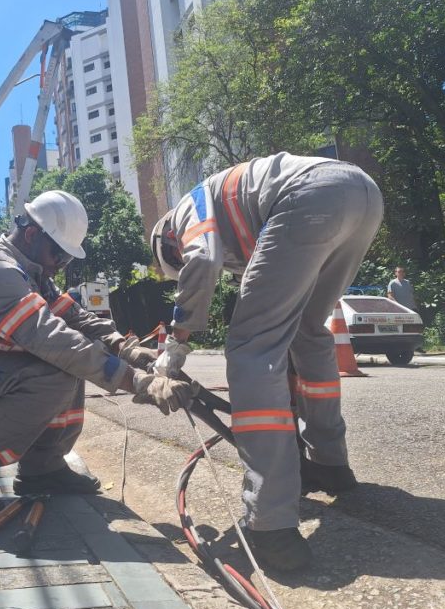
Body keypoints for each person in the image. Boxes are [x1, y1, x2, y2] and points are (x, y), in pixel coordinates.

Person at [0, 190, 194, 518]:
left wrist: (132, 352)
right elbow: (54, 339)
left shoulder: (30, 273)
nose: (59, 266)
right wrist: (138, 382)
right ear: (32, 234)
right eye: (57, 256)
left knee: (66, 363)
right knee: (57, 365)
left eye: (66, 259)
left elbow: (77, 319)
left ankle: (43, 469)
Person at [151, 154, 383, 570]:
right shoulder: (236, 218)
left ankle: (269, 523)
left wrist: (177, 341)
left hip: (311, 196)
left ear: (168, 242)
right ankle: (329, 464)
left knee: (251, 347)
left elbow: (201, 261)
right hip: (361, 195)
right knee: (309, 332)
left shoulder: (187, 208)